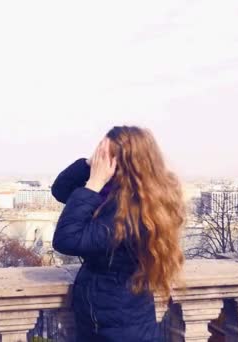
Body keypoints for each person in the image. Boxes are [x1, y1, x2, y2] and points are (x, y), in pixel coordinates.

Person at [52, 125, 186, 341]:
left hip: (117, 325)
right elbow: (60, 190)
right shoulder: (119, 194)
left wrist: (95, 181)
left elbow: (67, 240)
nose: (100, 158)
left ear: (123, 162)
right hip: (115, 316)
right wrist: (89, 164)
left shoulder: (132, 212)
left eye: (106, 154)